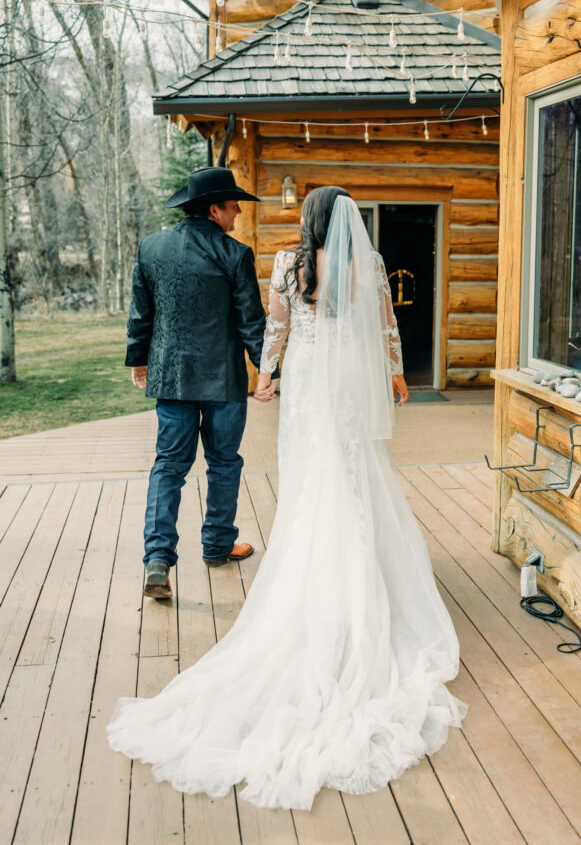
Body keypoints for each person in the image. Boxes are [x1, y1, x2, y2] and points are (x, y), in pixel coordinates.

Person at [108, 185, 467, 810]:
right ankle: (352, 572)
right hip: (349, 378)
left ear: (311, 221)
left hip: (302, 379)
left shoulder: (282, 261)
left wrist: (268, 373)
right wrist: (397, 372)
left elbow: (274, 326)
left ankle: (204, 560)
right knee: (352, 472)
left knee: (291, 473)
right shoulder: (369, 263)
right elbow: (386, 324)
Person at [126, 166, 268, 599]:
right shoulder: (236, 254)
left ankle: (157, 561)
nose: (238, 211)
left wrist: (138, 359)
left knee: (168, 466)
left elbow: (141, 312)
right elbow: (251, 322)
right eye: (232, 204)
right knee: (224, 463)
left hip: (170, 376)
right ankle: (217, 546)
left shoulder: (150, 248)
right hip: (223, 379)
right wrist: (268, 371)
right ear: (213, 209)